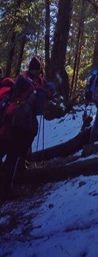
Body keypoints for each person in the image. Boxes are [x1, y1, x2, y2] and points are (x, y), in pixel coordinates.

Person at [0, 56, 55, 199]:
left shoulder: (27, 80)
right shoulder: (25, 82)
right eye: (37, 70)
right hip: (16, 123)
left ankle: (13, 175)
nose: (37, 72)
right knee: (12, 153)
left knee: (12, 150)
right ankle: (6, 188)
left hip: (17, 122)